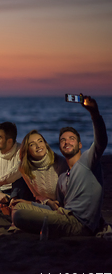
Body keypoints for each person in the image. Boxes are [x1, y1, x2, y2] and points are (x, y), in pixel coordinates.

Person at [13, 96, 108, 237]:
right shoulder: (63, 178)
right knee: (19, 206)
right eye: (63, 140)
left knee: (19, 216)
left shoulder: (87, 162)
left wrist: (94, 114)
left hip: (79, 223)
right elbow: (57, 206)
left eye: (72, 139)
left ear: (80, 145)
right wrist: (31, 203)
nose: (66, 142)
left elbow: (101, 142)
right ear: (59, 147)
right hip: (62, 215)